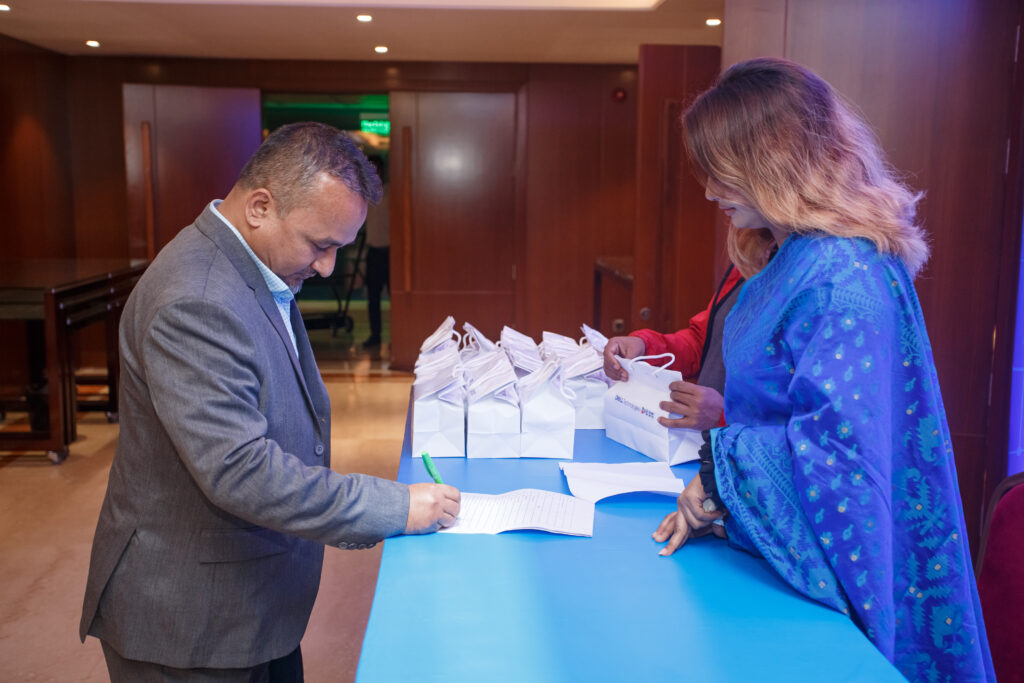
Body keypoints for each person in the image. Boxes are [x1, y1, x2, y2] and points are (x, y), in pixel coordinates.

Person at [651, 58, 994, 682]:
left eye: (721, 172)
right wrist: (724, 486)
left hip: (832, 586)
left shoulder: (842, 277)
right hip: (781, 554)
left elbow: (840, 460)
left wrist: (722, 476)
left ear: (773, 161)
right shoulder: (794, 255)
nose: (708, 192)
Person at [79, 122, 460, 681]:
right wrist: (394, 506)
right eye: (320, 244)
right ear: (260, 207)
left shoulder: (250, 264)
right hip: (192, 623)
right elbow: (240, 470)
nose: (328, 267)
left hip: (251, 604)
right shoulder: (198, 299)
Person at [603, 264, 743, 430]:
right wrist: (645, 346)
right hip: (708, 437)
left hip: (735, 438)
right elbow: (706, 343)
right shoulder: (746, 262)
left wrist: (726, 416)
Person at [362, 156, 390, 349]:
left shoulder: (391, 192)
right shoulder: (364, 194)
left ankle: (399, 338)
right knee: (373, 298)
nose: (374, 172)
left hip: (391, 253)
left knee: (396, 298)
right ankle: (375, 335)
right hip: (373, 251)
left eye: (377, 168)